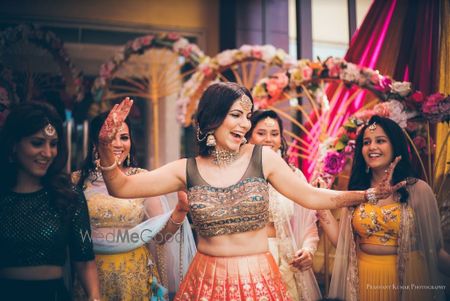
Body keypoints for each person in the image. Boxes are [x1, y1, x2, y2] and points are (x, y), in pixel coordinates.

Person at [97, 82, 405, 300]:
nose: (245, 124)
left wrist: (366, 195)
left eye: (247, 115)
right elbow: (121, 187)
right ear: (212, 118)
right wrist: (104, 145)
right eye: (236, 114)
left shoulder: (262, 159)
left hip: (259, 280)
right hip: (206, 282)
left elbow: (311, 196)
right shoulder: (186, 169)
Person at [316, 115, 448, 301]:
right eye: (366, 142)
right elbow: (343, 243)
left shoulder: (417, 189)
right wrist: (321, 209)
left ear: (395, 146)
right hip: (364, 279)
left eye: (380, 141)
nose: (372, 147)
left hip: (410, 281)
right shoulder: (358, 192)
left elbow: (435, 250)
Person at [72, 111, 196, 300]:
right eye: (111, 137)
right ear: (96, 143)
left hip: (134, 277)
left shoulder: (140, 178)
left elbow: (160, 236)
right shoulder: (78, 181)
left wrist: (181, 209)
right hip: (90, 276)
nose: (118, 144)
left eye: (124, 137)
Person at [0, 101, 100, 300]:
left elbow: (84, 261)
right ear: (13, 145)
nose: (47, 153)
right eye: (37, 143)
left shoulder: (67, 195)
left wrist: (95, 297)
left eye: (53, 144)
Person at [246, 109, 321, 301]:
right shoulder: (239, 177)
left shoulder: (293, 175)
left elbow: (309, 223)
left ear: (281, 139)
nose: (269, 139)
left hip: (289, 260)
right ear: (248, 137)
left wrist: (308, 249)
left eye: (275, 134)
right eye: (261, 133)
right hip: (252, 257)